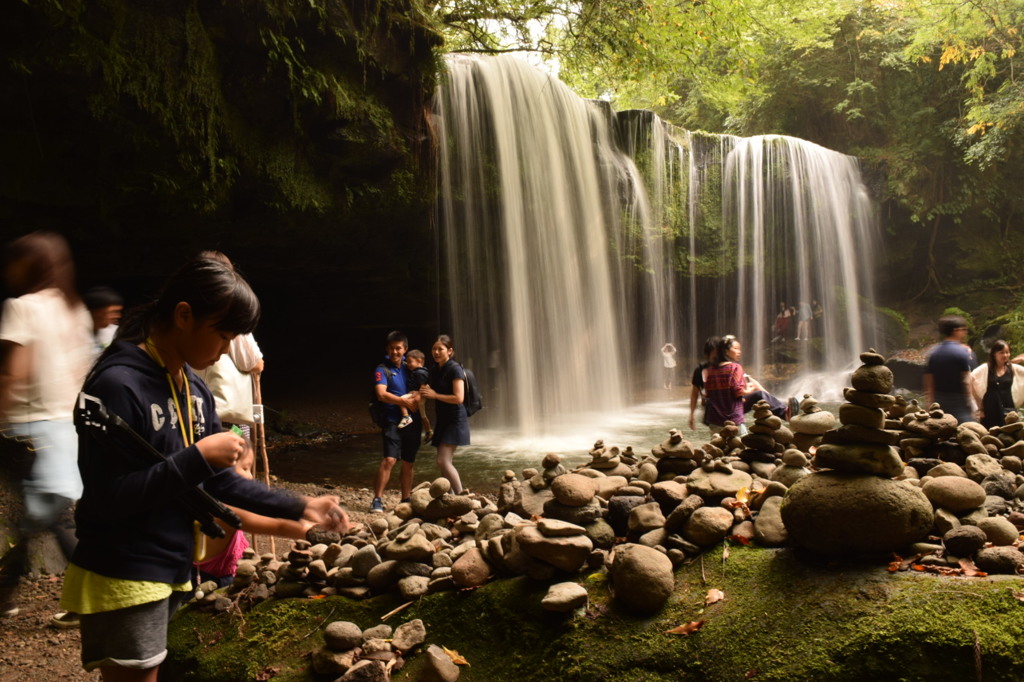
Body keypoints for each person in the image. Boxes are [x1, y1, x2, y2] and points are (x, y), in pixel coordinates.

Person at [59, 255, 348, 681]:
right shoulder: (118, 384)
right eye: (223, 334)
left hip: (174, 564)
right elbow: (108, 498)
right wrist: (198, 458)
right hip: (124, 566)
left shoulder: (193, 388)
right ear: (183, 315)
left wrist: (302, 506)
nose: (227, 350)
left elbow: (221, 482)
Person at [0, 232, 93, 626]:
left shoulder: (21, 308)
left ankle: (95, 598)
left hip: (28, 431)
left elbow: (15, 375)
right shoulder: (76, 311)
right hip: (67, 430)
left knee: (42, 519)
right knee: (47, 517)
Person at [195, 437, 313, 588]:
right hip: (209, 585)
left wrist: (309, 507)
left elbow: (273, 508)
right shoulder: (223, 514)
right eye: (245, 468)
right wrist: (315, 530)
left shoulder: (202, 501)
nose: (251, 476)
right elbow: (279, 525)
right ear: (222, 475)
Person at [370, 331, 421, 513]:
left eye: (398, 348)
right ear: (387, 349)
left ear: (405, 349)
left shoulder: (411, 368)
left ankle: (405, 498)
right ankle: (377, 499)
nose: (395, 351)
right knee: (389, 460)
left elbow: (423, 387)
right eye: (392, 348)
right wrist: (403, 401)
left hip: (413, 421)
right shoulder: (382, 369)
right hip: (392, 421)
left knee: (408, 462)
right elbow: (381, 394)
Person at [420, 335, 469, 494]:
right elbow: (427, 388)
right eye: (434, 349)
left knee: (442, 460)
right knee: (444, 462)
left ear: (450, 351)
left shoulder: (455, 369)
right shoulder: (436, 369)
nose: (436, 352)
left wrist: (435, 395)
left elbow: (459, 398)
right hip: (443, 419)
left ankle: (462, 497)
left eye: (440, 349)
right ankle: (450, 497)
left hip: (455, 419)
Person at [703, 335, 762, 435]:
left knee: (718, 448)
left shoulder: (709, 370)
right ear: (725, 351)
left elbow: (707, 394)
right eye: (736, 348)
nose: (739, 351)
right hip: (733, 421)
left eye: (740, 349)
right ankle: (785, 413)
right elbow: (738, 391)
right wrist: (752, 389)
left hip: (714, 421)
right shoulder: (735, 368)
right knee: (740, 447)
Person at [923, 314, 976, 424]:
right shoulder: (962, 352)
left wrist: (929, 403)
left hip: (939, 402)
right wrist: (972, 404)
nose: (966, 332)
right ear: (955, 331)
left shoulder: (933, 352)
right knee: (968, 431)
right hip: (959, 403)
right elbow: (966, 381)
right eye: (964, 329)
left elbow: (929, 381)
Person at [971, 340, 1024, 429]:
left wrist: (1019, 359)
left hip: (1008, 408)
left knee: (1008, 435)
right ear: (994, 354)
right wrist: (978, 403)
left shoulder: (1012, 368)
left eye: (1007, 352)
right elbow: (970, 379)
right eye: (1001, 352)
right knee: (990, 436)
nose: (1005, 355)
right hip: (990, 409)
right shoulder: (986, 368)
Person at [397, 349, 433, 440]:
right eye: (407, 362)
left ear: (419, 361)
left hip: (416, 395)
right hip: (421, 398)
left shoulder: (419, 373)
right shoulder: (424, 371)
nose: (408, 365)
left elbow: (422, 386)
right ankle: (429, 431)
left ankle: (406, 417)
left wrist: (417, 393)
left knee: (401, 399)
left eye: (410, 362)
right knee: (423, 416)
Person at [82, 286, 124, 356]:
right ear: (96, 312)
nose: (118, 316)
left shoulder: (115, 332)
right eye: (113, 312)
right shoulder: (72, 333)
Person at [688, 336, 719, 431]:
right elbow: (694, 393)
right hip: (713, 411)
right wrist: (692, 415)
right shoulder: (700, 370)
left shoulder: (728, 368)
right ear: (707, 355)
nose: (718, 359)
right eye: (715, 356)